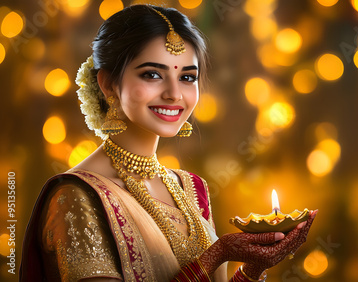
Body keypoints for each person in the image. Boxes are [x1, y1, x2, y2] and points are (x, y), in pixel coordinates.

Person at [20, 4, 317, 281]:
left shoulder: (192, 189)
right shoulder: (77, 196)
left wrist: (253, 268)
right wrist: (217, 254)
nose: (174, 94)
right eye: (152, 74)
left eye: (188, 77)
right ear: (108, 83)